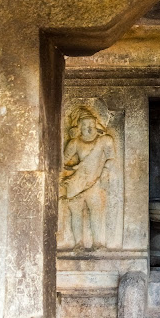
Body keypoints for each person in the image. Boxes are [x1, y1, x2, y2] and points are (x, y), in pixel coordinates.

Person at [61, 106, 115, 250]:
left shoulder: (105, 140)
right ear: (79, 127)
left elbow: (111, 158)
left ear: (96, 124)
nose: (89, 128)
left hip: (94, 181)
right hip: (76, 182)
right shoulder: (75, 143)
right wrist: (73, 167)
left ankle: (98, 243)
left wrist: (105, 172)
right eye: (85, 125)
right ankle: (78, 243)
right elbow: (63, 161)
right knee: (76, 213)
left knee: (96, 212)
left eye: (91, 125)